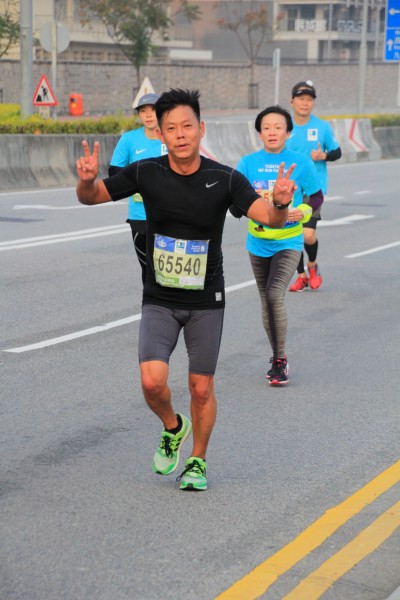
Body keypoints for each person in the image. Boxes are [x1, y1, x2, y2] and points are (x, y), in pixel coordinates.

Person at [76, 89, 295, 491]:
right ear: (161, 134)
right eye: (171, 128)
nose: (180, 134)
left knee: (201, 386)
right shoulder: (145, 172)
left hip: (206, 300)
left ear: (201, 129)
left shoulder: (225, 178)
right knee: (151, 382)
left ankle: (197, 460)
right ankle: (173, 426)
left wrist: (280, 204)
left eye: (187, 126)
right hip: (159, 297)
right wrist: (86, 182)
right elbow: (92, 197)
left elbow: (267, 216)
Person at [236, 105, 323, 385]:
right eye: (266, 128)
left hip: (288, 241)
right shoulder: (247, 163)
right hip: (257, 243)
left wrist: (304, 212)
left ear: (288, 132)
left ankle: (280, 360)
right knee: (266, 301)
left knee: (275, 295)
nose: (272, 132)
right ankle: (276, 357)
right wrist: (244, 206)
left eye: (278, 127)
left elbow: (316, 196)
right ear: (259, 132)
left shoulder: (300, 162)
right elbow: (234, 200)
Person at [286, 81, 341, 292]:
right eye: (301, 99)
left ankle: (312, 265)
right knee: (292, 236)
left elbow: (337, 152)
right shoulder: (285, 126)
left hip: (312, 190)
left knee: (308, 234)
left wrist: (323, 155)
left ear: (313, 103)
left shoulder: (322, 127)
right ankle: (301, 276)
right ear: (292, 101)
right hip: (289, 189)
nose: (305, 103)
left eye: (309, 100)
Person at [109, 92, 167, 284]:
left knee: (168, 273)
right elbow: (115, 173)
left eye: (153, 109)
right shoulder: (129, 139)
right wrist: (140, 182)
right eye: (143, 111)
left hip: (171, 216)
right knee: (148, 271)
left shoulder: (171, 137)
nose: (148, 115)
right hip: (140, 217)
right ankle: (151, 303)